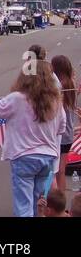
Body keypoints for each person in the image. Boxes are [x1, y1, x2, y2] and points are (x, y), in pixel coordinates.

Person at [0, 59, 66, 217]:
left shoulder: (17, 98)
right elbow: (61, 128)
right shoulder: (56, 101)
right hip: (47, 157)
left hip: (23, 156)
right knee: (39, 202)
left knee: (23, 204)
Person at [50, 55, 79, 193]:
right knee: (61, 171)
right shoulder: (72, 85)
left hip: (58, 134)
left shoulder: (57, 88)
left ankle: (53, 201)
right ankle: (60, 205)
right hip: (68, 134)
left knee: (52, 172)